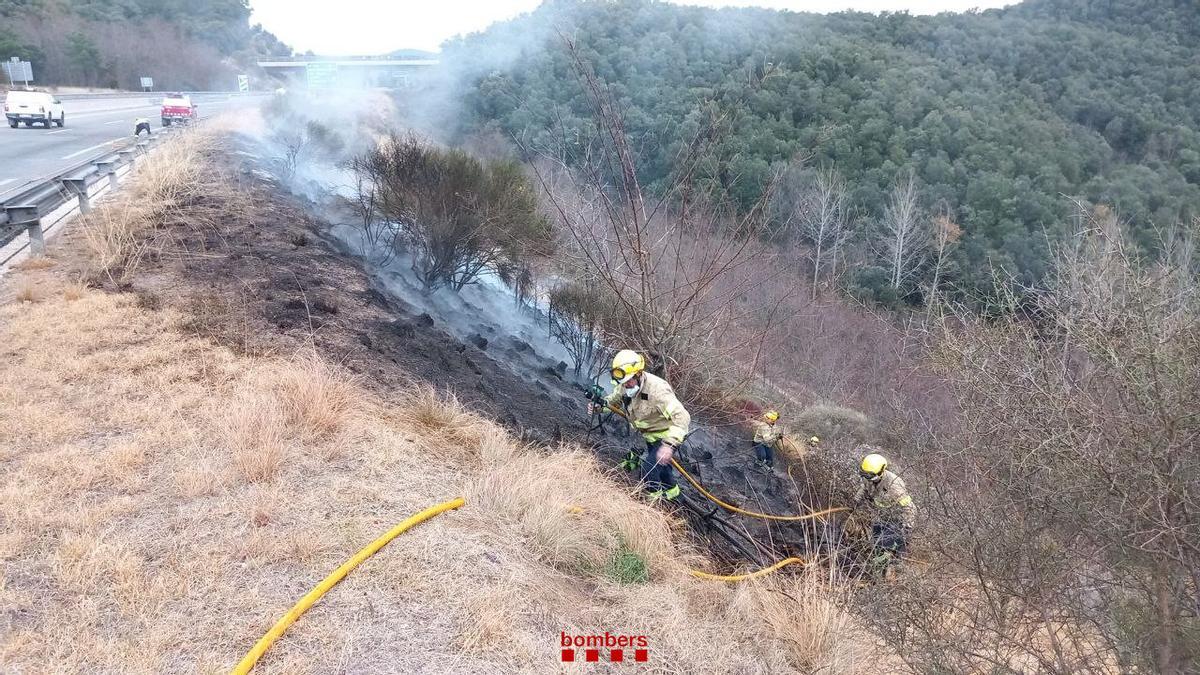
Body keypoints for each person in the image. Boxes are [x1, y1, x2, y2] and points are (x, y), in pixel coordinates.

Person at [593, 349, 690, 501]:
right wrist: (599, 407)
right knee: (662, 468)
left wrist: (668, 446)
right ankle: (675, 496)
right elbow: (614, 401)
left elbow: (682, 417)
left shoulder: (658, 391)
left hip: (666, 437)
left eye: (629, 382)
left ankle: (654, 505)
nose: (626, 386)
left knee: (649, 470)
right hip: (649, 435)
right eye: (623, 383)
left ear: (638, 374)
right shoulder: (625, 385)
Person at [853, 449, 915, 576]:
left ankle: (893, 571)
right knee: (876, 544)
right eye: (864, 475)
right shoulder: (868, 477)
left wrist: (907, 527)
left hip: (896, 517)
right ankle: (879, 569)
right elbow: (864, 488)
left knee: (889, 545)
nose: (867, 478)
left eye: (869, 476)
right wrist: (856, 502)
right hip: (880, 515)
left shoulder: (894, 485)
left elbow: (910, 508)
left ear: (881, 472)